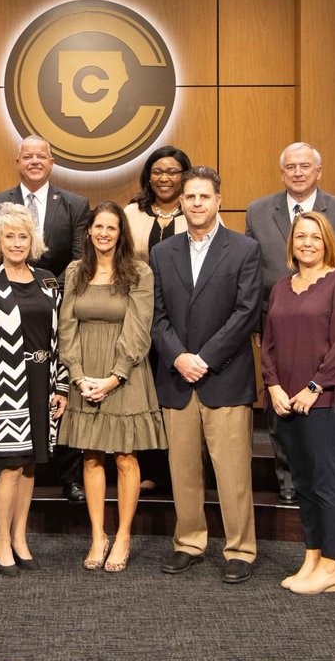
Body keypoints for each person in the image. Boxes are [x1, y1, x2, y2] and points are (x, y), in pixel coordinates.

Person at [152, 167, 262, 584]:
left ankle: (240, 549)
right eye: (190, 197)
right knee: (183, 470)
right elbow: (157, 316)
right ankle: (189, 542)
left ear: (218, 200)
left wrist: (206, 357)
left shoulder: (245, 249)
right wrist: (180, 357)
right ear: (180, 203)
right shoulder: (164, 252)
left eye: (204, 196)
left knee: (233, 472)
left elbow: (246, 312)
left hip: (226, 378)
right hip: (177, 378)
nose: (196, 203)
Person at [245, 142, 335, 505]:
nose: (298, 173)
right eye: (291, 167)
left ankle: (334, 485)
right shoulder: (257, 210)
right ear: (282, 173)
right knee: (280, 409)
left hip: (328, 329)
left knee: (329, 412)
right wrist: (256, 324)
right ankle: (289, 480)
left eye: (305, 166)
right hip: (277, 326)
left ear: (318, 171)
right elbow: (251, 274)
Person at [0, 136, 90, 503]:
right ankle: (2, 494)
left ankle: (68, 478)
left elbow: (77, 262)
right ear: (18, 161)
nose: (35, 161)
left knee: (50, 428)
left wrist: (45, 290)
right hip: (8, 320)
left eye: (42, 156)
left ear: (52, 162)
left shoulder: (74, 204)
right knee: (12, 462)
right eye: (28, 156)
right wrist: (13, 288)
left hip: (52, 313)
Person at [57, 202, 166, 573]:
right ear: (89, 230)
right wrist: (77, 374)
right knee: (90, 455)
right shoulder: (75, 271)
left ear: (121, 233)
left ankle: (122, 535)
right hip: (84, 373)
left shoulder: (139, 272)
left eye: (112, 228)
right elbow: (66, 326)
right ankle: (97, 535)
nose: (104, 233)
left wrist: (114, 376)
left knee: (124, 456)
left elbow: (139, 328)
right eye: (98, 227)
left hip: (126, 374)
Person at [261, 212, 335, 594]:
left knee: (326, 481)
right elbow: (267, 343)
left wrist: (314, 386)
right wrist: (272, 386)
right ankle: (313, 556)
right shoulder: (282, 287)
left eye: (315, 237)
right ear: (291, 243)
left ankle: (334, 564)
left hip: (325, 402)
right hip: (286, 402)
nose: (307, 243)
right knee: (302, 482)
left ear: (327, 243)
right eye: (300, 236)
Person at [0, 203, 68, 576]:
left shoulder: (47, 280)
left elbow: (59, 338)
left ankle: (20, 537)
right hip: (7, 384)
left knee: (30, 467)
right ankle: (1, 541)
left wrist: (61, 385)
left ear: (33, 240)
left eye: (22, 236)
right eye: (8, 236)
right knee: (10, 466)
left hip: (43, 382)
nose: (16, 243)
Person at [123, 145, 192, 497]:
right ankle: (150, 468)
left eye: (173, 171)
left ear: (184, 176)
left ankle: (181, 470)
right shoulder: (132, 213)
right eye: (158, 171)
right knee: (145, 392)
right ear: (148, 176)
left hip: (184, 318)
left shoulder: (196, 209)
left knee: (176, 392)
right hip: (139, 315)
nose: (165, 178)